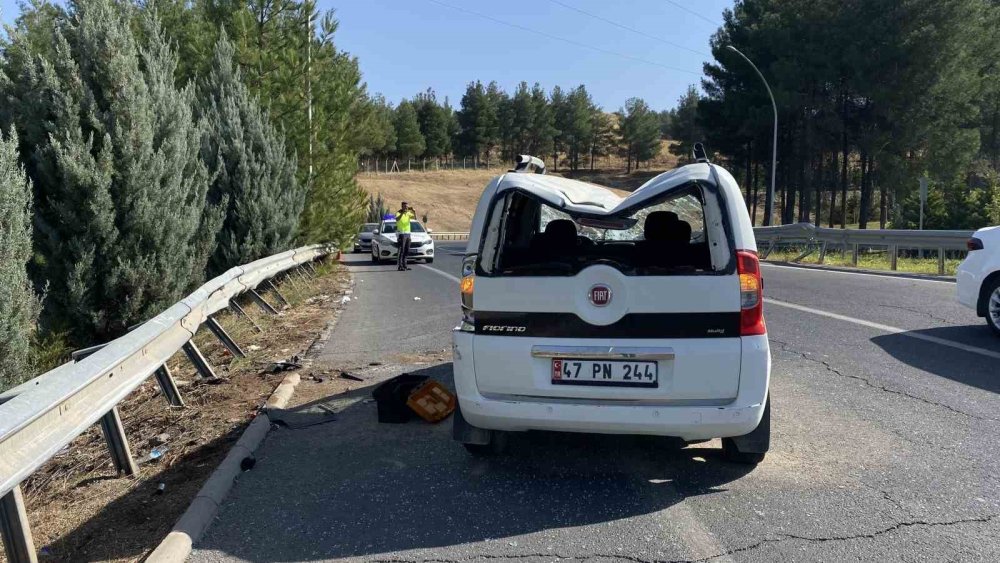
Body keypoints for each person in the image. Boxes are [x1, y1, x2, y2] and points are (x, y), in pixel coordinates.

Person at [395, 201, 417, 271]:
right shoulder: (398, 212)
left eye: (407, 206)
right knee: (402, 250)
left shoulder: (408, 213)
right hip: (401, 234)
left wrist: (414, 211)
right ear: (402, 206)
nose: (406, 208)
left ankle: (405, 265)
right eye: (405, 206)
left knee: (407, 250)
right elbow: (397, 219)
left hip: (408, 234)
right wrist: (402, 213)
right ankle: (400, 266)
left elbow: (415, 218)